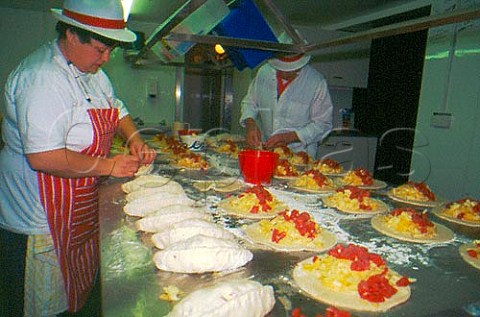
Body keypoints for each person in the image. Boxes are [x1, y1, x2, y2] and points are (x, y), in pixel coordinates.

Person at [0, 0, 156, 316]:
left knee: (72, 300)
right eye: (101, 49)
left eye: (110, 50)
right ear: (72, 34)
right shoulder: (42, 77)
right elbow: (44, 157)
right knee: (40, 308)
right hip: (40, 220)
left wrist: (135, 138)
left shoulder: (92, 71)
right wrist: (109, 165)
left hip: (76, 208)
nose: (107, 58)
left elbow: (117, 108)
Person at [239, 33, 333, 159]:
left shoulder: (316, 82)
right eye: (279, 68)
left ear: (300, 64)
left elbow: (323, 124)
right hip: (268, 151)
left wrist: (291, 137)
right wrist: (250, 123)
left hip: (300, 156)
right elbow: (250, 102)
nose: (283, 73)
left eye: (289, 69)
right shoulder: (264, 72)